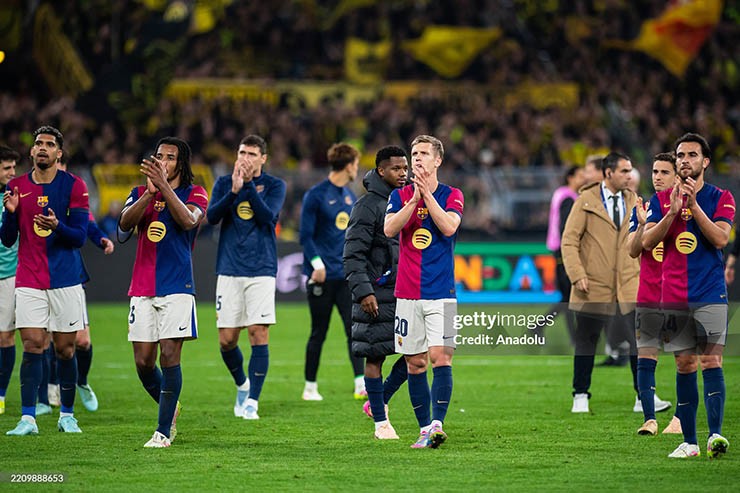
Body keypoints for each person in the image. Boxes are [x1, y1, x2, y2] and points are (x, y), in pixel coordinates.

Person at [642, 132, 735, 459]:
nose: (685, 160)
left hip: (710, 292)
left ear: (705, 161)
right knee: (684, 364)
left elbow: (720, 239)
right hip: (674, 294)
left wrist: (693, 207)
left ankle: (715, 436)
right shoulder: (659, 200)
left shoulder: (721, 197)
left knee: (711, 359)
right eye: (680, 155)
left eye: (692, 155)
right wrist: (671, 213)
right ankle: (690, 442)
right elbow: (646, 243)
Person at [562, 152, 669, 414]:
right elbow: (569, 241)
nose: (630, 176)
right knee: (587, 340)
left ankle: (643, 396)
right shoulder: (585, 200)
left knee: (638, 342)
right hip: (592, 283)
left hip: (629, 283)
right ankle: (580, 395)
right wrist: (577, 274)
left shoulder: (634, 199)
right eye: (624, 171)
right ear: (608, 173)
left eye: (630, 170)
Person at [119, 137, 208, 448]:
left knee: (170, 355)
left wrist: (164, 189)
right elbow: (123, 226)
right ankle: (171, 406)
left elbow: (188, 221)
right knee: (144, 362)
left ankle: (162, 430)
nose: (163, 161)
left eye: (170, 157)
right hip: (142, 286)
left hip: (177, 286)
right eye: (159, 156)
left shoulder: (196, 193)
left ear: (181, 163)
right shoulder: (139, 192)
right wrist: (149, 193)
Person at [1, 126, 88, 435]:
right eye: (38, 143)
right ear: (31, 151)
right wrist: (11, 214)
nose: (42, 147)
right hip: (29, 278)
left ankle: (67, 415)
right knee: (32, 345)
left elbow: (79, 237)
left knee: (65, 349)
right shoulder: (16, 186)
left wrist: (57, 226)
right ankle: (28, 418)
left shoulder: (74, 186)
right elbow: (7, 239)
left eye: (50, 144)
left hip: (65, 279)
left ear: (58, 153)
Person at [384, 135, 464, 449]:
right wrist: (413, 200)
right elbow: (390, 229)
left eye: (424, 154)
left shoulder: (452, 194)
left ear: (438, 160)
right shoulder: (399, 195)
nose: (417, 158)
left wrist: (427, 196)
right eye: (414, 153)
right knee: (415, 363)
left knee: (441, 357)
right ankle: (423, 429)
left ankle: (437, 424)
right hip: (407, 293)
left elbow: (449, 227)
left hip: (442, 292)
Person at [206, 135, 286, 420]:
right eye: (242, 152)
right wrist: (233, 192)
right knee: (227, 340)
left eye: (252, 154)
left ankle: (253, 401)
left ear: (263, 158)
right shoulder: (223, 183)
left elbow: (268, 218)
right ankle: (243, 383)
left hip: (261, 268)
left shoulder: (275, 185)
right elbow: (211, 218)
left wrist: (249, 186)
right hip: (229, 268)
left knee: (257, 333)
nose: (246, 158)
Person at [343, 145, 409, 439]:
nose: (403, 173)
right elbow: (353, 254)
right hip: (377, 293)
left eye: (405, 168)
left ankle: (377, 401)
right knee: (375, 357)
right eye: (396, 168)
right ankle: (381, 423)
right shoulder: (367, 206)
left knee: (418, 352)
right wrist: (364, 291)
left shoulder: (407, 201)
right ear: (381, 171)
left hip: (405, 291)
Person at [300, 142, 365, 401]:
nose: (357, 169)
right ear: (348, 166)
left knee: (353, 330)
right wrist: (317, 264)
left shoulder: (350, 196)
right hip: (322, 277)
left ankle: (360, 384)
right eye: (356, 164)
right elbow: (305, 236)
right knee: (319, 331)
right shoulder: (316, 195)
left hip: (345, 276)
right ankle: (310, 387)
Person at [51, 150, 115, 412]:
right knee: (46, 340)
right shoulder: (34, 193)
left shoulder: (74, 193)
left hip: (70, 274)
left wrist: (101, 240)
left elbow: (87, 223)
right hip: (38, 274)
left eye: (61, 165)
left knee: (82, 341)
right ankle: (50, 388)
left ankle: (82, 381)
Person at [628, 152, 681, 435]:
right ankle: (649, 419)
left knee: (683, 359)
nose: (657, 177)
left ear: (677, 176)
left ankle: (680, 417)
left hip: (678, 294)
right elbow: (633, 250)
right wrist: (640, 225)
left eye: (664, 172)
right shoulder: (645, 207)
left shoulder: (689, 209)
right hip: (648, 293)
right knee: (646, 356)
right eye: (655, 172)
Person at [544, 165, 586, 343]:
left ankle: (538, 327)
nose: (584, 178)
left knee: (566, 297)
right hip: (564, 251)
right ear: (570, 177)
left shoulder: (560, 194)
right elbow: (566, 227)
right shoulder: (569, 198)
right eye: (580, 175)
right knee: (568, 296)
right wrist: (571, 249)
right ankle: (573, 337)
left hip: (557, 249)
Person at [0, 145, 19, 416]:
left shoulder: (17, 196)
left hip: (9, 275)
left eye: (14, 167)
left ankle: (1, 395)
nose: (12, 172)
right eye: (7, 168)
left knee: (5, 337)